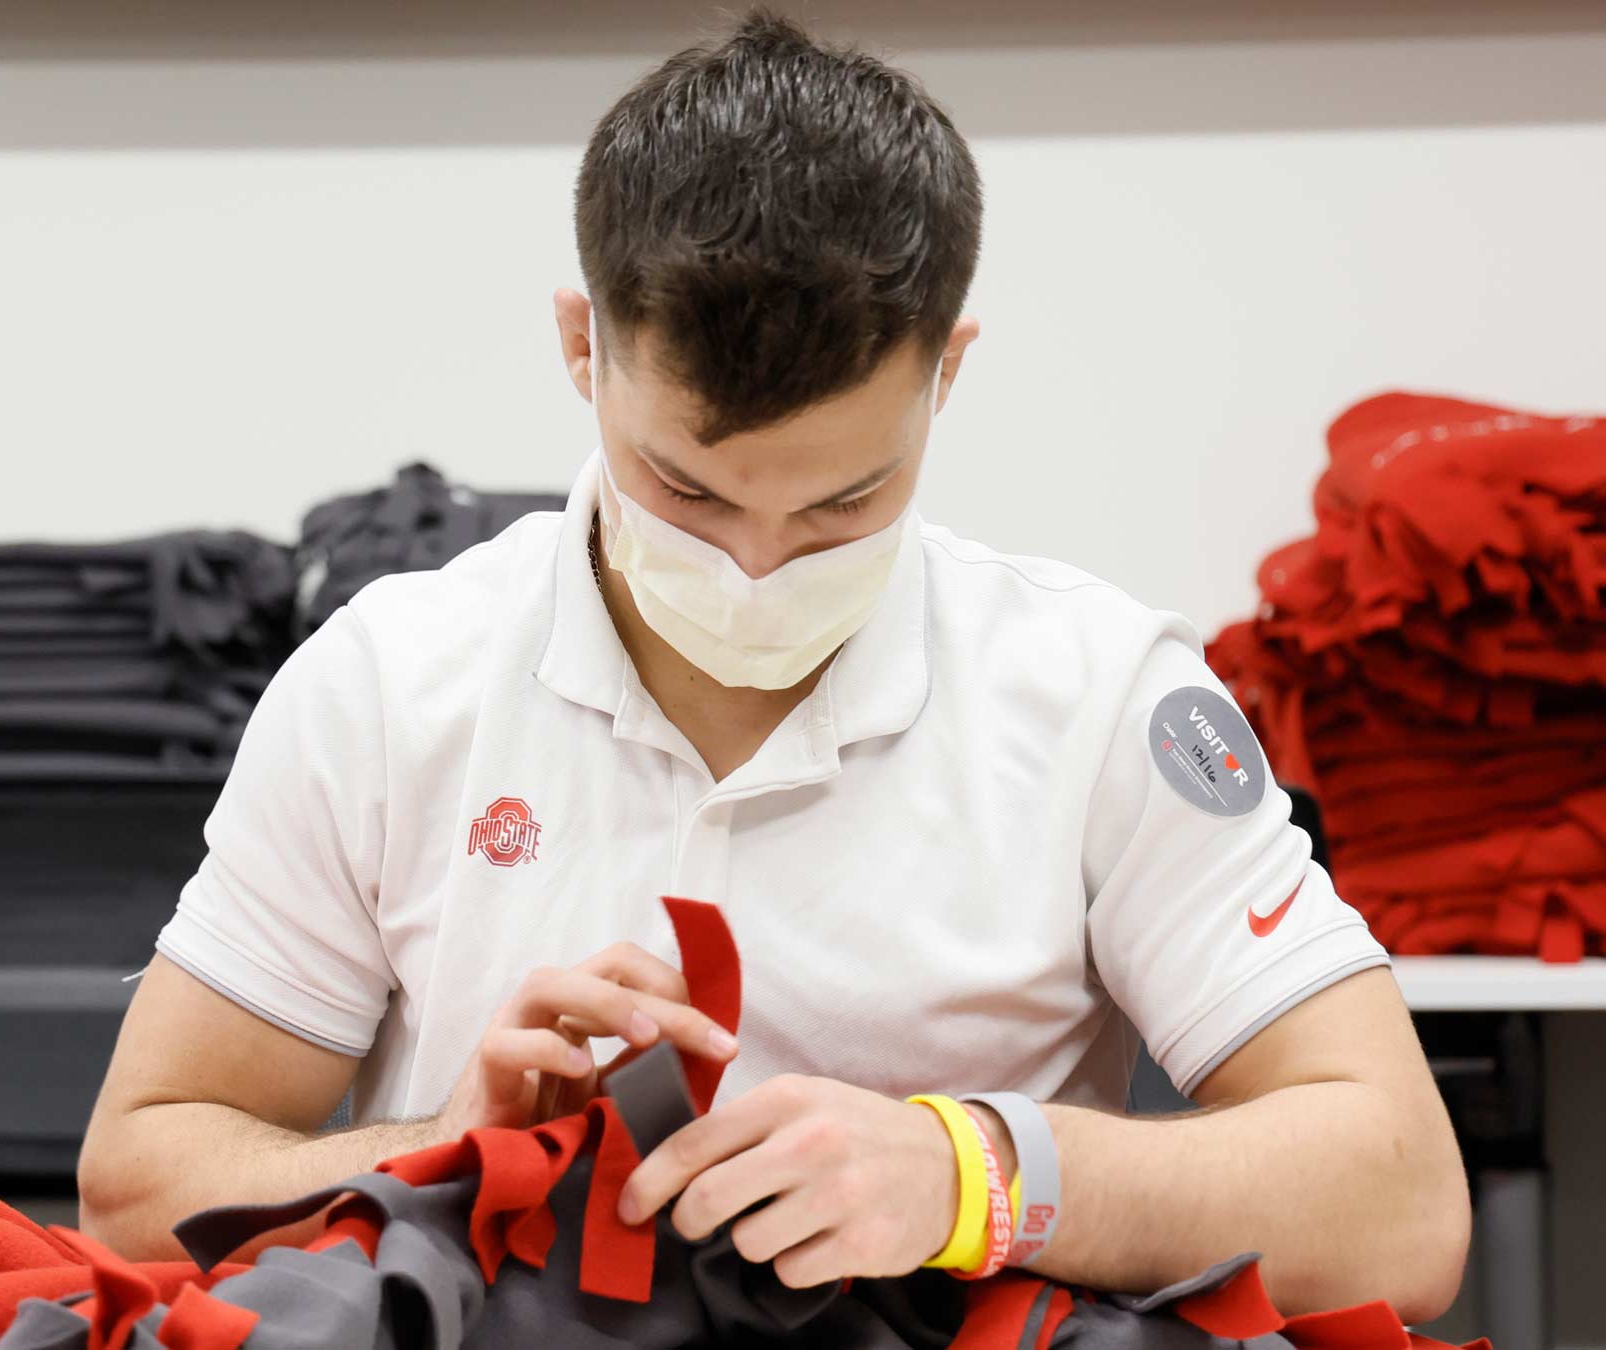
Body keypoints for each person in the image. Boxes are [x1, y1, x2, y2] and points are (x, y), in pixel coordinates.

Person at [79, 8, 1469, 1319]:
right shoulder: (386, 684)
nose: (754, 569)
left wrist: (972, 1176)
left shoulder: (1103, 697)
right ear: (582, 345)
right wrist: (441, 1147)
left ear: (948, 373)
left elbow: (1403, 1205)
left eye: (837, 506)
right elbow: (139, 1180)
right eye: (687, 493)